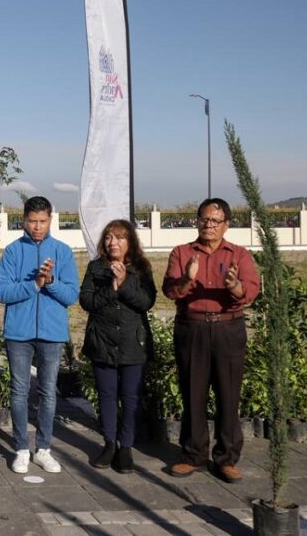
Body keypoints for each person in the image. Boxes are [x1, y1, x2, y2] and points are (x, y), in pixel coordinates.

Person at [162, 198, 260, 483]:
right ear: (197, 221)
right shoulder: (182, 253)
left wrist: (235, 287)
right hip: (191, 329)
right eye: (204, 219)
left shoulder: (239, 255)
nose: (209, 224)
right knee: (193, 393)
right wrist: (186, 280)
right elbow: (170, 290)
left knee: (228, 394)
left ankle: (226, 458)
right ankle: (193, 455)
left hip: (228, 330)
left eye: (215, 220)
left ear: (226, 225)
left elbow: (251, 291)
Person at [0, 196, 79, 474]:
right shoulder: (12, 251)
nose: (37, 227)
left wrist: (52, 282)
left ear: (50, 220)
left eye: (43, 221)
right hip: (18, 333)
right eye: (32, 221)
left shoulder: (63, 252)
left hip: (52, 332)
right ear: (23, 220)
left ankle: (43, 448)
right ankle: (21, 447)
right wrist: (34, 284)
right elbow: (3, 292)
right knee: (19, 391)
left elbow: (71, 296)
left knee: (48, 392)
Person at [79, 219, 156, 474]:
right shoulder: (95, 268)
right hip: (102, 341)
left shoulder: (142, 268)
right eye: (109, 237)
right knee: (107, 396)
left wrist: (124, 284)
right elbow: (87, 301)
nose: (113, 243)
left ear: (130, 242)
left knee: (131, 398)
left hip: (133, 343)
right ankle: (109, 443)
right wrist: (111, 289)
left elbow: (146, 301)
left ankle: (126, 447)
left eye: (120, 238)